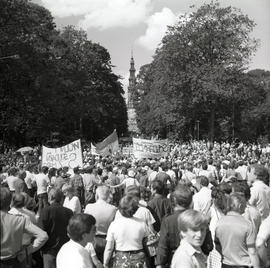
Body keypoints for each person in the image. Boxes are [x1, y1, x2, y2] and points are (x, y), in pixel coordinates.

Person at [0, 187, 48, 268]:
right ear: (9, 202)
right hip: (14, 260)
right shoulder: (20, 220)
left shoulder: (20, 219)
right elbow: (43, 236)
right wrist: (27, 250)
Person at [215, 192, 260, 268]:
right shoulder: (247, 225)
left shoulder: (219, 223)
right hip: (244, 265)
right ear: (239, 206)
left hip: (226, 264)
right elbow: (252, 252)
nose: (246, 207)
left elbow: (217, 246)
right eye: (245, 205)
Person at [103, 195, 148, 268]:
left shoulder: (114, 224)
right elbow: (147, 244)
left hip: (121, 259)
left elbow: (109, 248)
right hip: (139, 259)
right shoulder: (142, 223)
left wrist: (105, 263)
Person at [156, 184, 193, 267]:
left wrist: (160, 263)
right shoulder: (198, 217)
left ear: (174, 201)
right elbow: (208, 246)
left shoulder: (168, 220)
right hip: (195, 258)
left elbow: (163, 245)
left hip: (174, 259)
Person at [39, 188, 73, 268]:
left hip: (49, 251)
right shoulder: (69, 212)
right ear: (62, 199)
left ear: (50, 197)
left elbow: (41, 231)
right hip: (65, 250)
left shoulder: (45, 211)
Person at [84, 185, 117, 263]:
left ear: (97, 195)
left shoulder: (89, 207)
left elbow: (84, 224)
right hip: (107, 240)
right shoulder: (113, 209)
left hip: (92, 240)